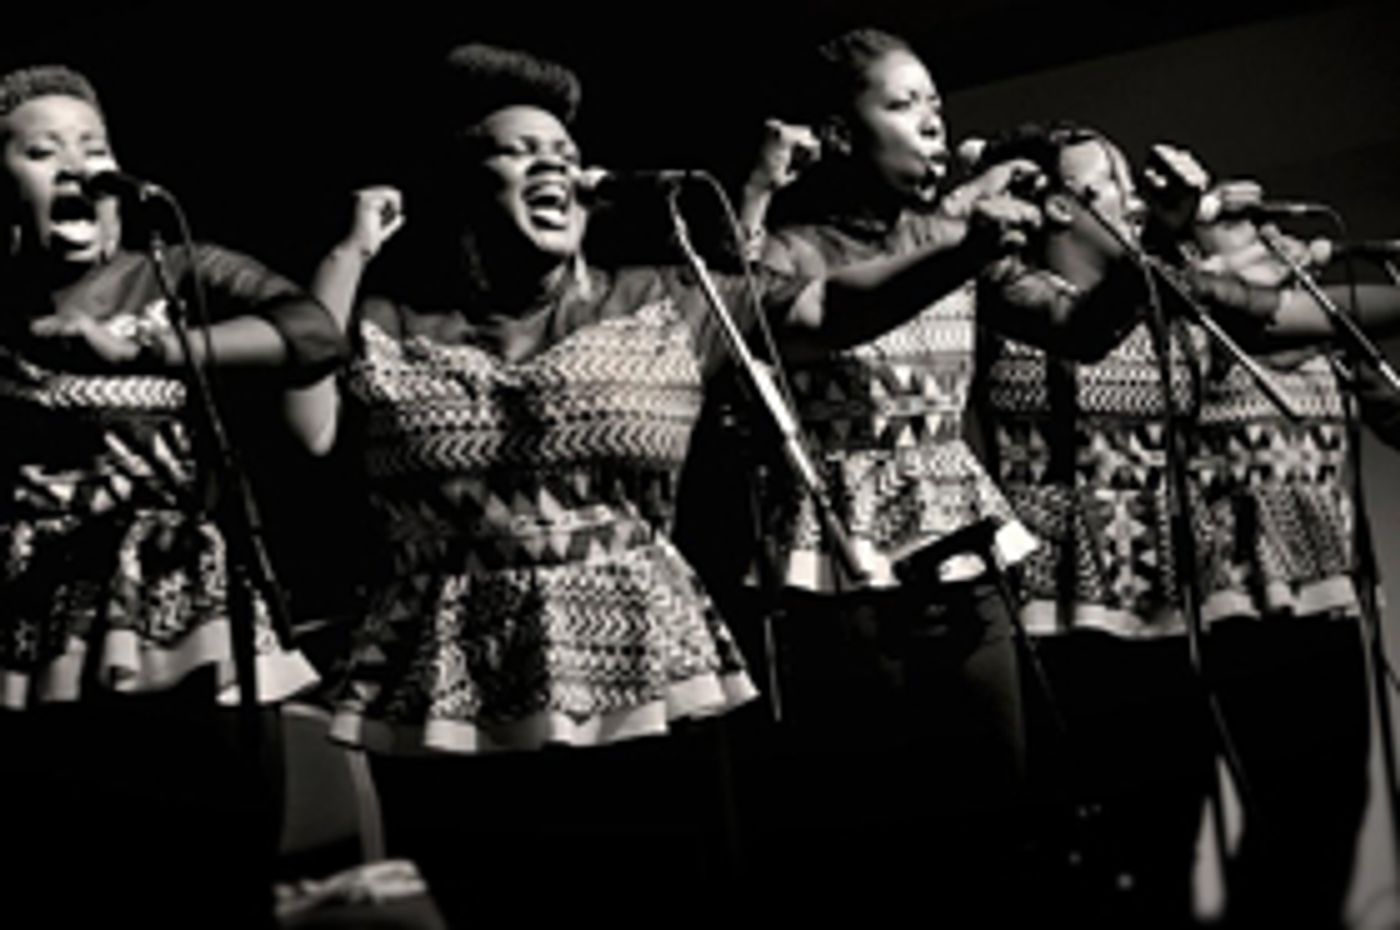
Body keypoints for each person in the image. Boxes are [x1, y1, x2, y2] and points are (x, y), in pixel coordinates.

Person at [285, 41, 1061, 925]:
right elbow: (308, 426)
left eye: (569, 157)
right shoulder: (392, 319)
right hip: (450, 690)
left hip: (644, 674)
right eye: (521, 150)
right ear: (461, 178)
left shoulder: (662, 299)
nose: (555, 166)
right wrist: (348, 253)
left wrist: (966, 251)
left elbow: (822, 311)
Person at [717, 30, 1153, 923]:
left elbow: (1078, 328)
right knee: (885, 841)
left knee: (1001, 819)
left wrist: (1143, 256)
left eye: (937, 105)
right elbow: (779, 318)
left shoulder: (953, 236)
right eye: (903, 103)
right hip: (839, 569)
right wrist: (763, 188)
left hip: (961, 555)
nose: (932, 121)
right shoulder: (799, 250)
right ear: (840, 133)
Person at [0, 65, 346, 929]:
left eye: (96, 147)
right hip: (37, 622)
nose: (77, 166)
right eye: (43, 151)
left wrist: (151, 352)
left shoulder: (177, 267)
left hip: (185, 611)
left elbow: (313, 336)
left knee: (214, 862)